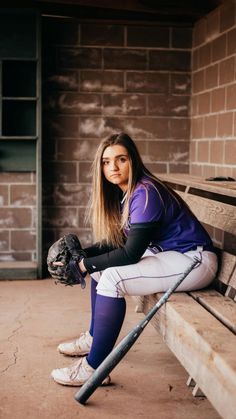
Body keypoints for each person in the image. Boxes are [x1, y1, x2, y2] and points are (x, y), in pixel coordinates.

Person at [51, 132, 218, 386]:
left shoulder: (146, 192)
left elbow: (130, 254)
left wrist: (82, 266)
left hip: (194, 260)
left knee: (113, 277)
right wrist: (84, 254)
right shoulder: (127, 191)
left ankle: (93, 368)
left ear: (134, 161)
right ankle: (95, 339)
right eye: (106, 162)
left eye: (121, 159)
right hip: (170, 254)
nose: (113, 167)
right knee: (101, 271)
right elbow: (119, 242)